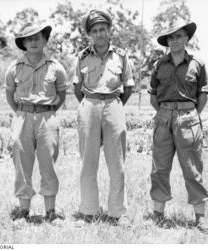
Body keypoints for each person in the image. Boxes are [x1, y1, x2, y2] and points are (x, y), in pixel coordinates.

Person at [148, 20, 208, 234]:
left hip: (188, 118)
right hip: (164, 117)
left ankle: (200, 218)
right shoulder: (159, 65)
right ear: (167, 41)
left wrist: (190, 115)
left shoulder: (197, 64)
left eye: (179, 36)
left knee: (192, 169)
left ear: (187, 38)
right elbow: (153, 95)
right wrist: (165, 113)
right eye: (171, 37)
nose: (175, 40)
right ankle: (157, 214)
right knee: (160, 168)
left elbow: (202, 95)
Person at [73, 10, 135, 226]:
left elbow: (128, 87)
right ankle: (88, 211)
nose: (99, 34)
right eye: (94, 30)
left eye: (102, 29)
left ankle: (118, 212)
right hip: (89, 105)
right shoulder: (82, 56)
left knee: (116, 162)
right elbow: (77, 87)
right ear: (90, 34)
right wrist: (92, 103)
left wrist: (112, 104)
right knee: (88, 161)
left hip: (113, 105)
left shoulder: (121, 55)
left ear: (109, 30)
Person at [5, 22, 67, 223]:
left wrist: (46, 112)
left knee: (48, 163)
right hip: (22, 117)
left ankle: (50, 211)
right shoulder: (14, 68)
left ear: (44, 41)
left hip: (47, 118)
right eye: (28, 39)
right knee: (22, 164)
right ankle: (24, 211)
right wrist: (22, 113)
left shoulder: (56, 67)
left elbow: (61, 94)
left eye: (37, 38)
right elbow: (9, 94)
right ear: (23, 43)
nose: (33, 42)